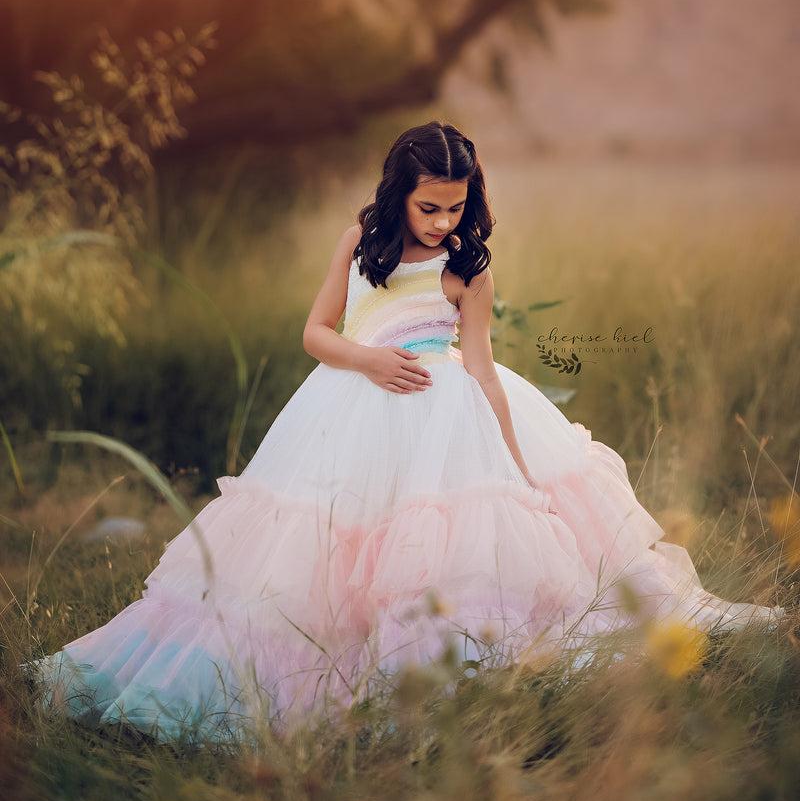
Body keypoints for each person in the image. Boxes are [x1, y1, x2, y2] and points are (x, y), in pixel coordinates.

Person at [31, 121, 780, 743]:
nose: (443, 222)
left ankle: (449, 688)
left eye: (455, 207)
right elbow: (315, 332)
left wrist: (520, 470)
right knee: (310, 555)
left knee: (442, 558)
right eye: (429, 207)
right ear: (400, 194)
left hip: (446, 422)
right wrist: (369, 360)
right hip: (350, 408)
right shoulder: (361, 242)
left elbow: (483, 369)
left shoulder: (467, 269)